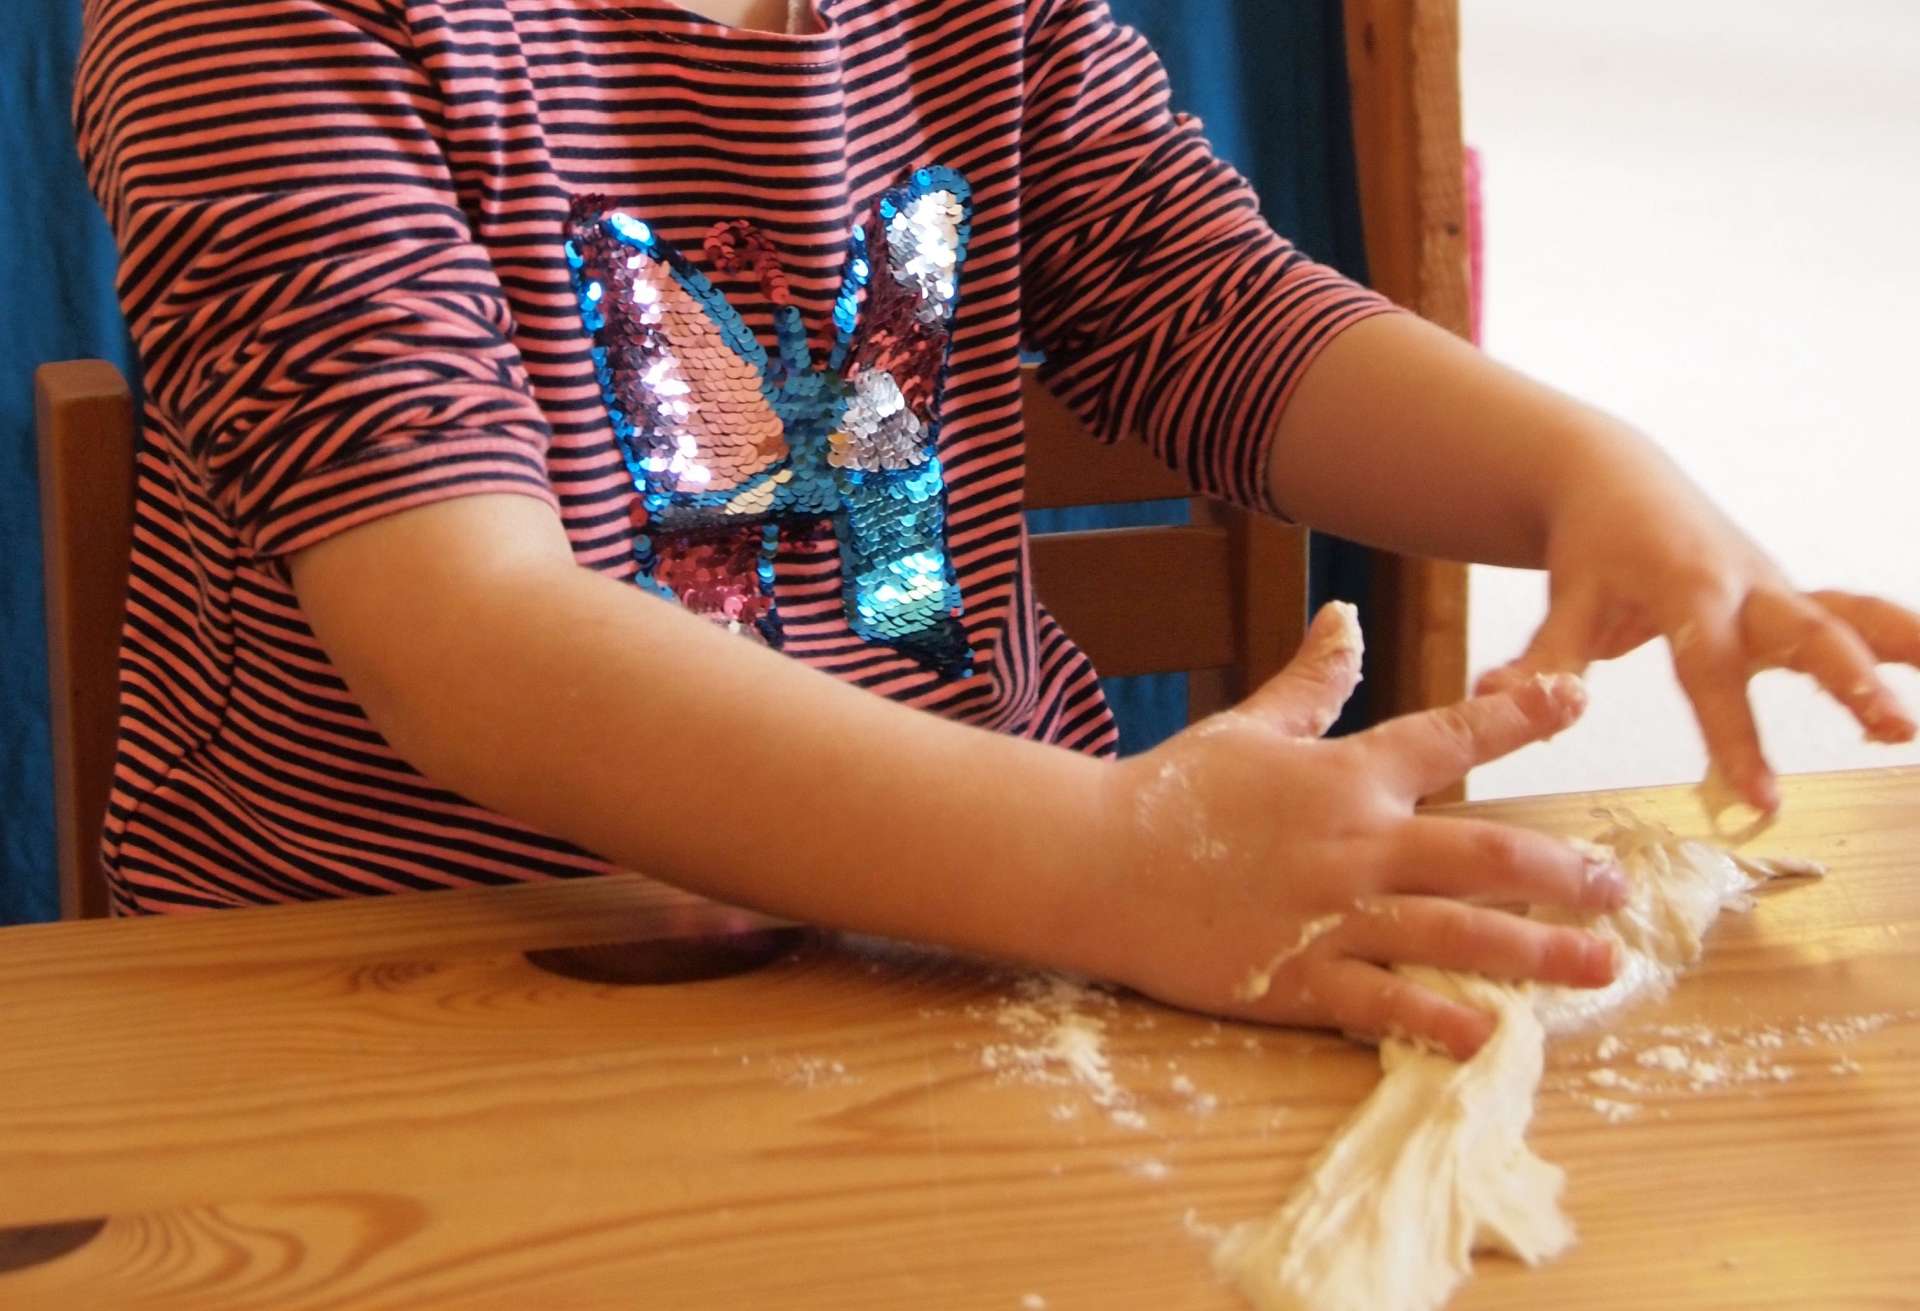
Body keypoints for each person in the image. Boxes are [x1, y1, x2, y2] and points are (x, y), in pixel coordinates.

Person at [72, 0, 1919, 1059]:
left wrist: (1593, 473)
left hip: (988, 968)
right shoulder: (248, 23)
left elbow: (1224, 316)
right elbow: (467, 646)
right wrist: (1120, 857)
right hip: (418, 993)